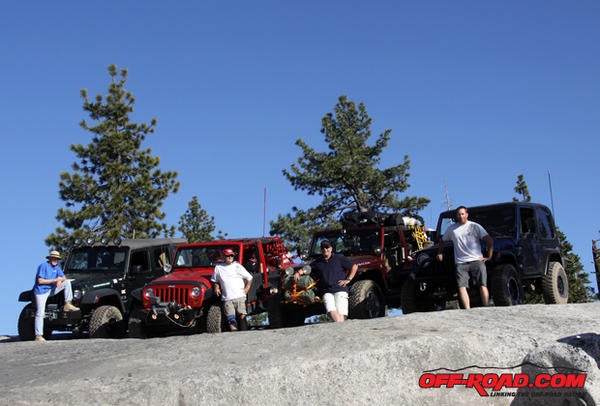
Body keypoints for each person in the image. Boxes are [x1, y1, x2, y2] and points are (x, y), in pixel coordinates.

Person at [437, 206, 494, 309]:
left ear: (467, 215)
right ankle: (467, 309)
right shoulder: (452, 229)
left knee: (482, 284)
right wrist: (440, 253)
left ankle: (486, 306)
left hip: (476, 260)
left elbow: (489, 240)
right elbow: (442, 241)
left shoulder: (474, 226)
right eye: (458, 214)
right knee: (461, 286)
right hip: (460, 262)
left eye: (462, 214)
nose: (461, 216)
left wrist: (489, 256)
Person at [294, 239, 358, 322]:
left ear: (331, 249)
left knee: (341, 314)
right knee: (331, 311)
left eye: (327, 247)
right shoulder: (317, 262)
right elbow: (307, 268)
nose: (325, 249)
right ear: (321, 250)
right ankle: (341, 327)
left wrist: (348, 279)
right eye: (323, 248)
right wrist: (298, 273)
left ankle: (340, 329)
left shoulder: (339, 258)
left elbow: (354, 267)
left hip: (340, 289)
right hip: (326, 292)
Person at [33, 250, 79, 341]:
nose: (55, 260)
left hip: (51, 290)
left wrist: (59, 280)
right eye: (53, 258)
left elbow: (64, 277)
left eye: (57, 259)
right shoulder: (43, 266)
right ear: (50, 258)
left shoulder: (57, 267)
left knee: (67, 282)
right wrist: (55, 280)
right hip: (41, 292)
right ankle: (38, 335)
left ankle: (67, 303)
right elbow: (40, 281)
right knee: (40, 312)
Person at [210, 248, 254, 331]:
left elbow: (250, 278)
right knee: (231, 319)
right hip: (227, 298)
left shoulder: (237, 266)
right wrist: (216, 287)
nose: (230, 257)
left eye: (232, 255)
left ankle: (245, 333)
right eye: (228, 255)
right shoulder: (218, 268)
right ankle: (234, 336)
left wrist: (247, 288)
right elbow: (214, 280)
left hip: (240, 296)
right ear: (223, 257)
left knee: (242, 316)